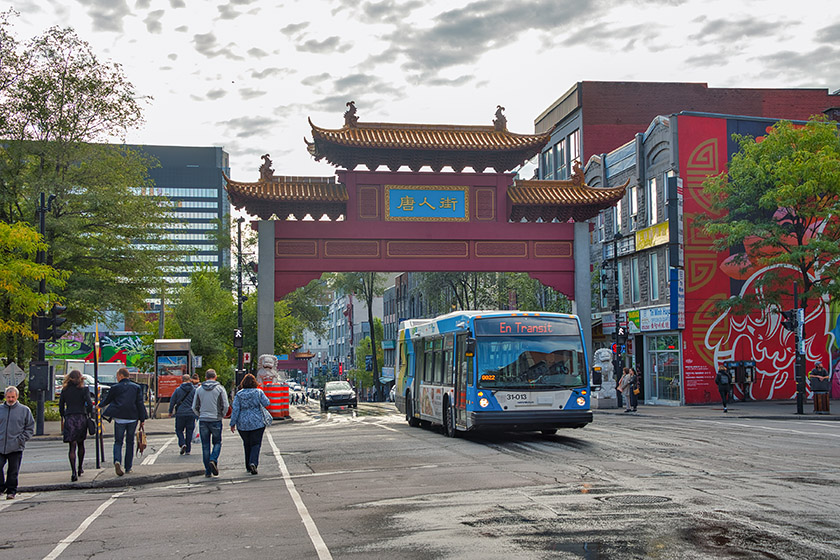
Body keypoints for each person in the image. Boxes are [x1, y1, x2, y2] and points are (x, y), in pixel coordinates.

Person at [100, 368, 146, 476]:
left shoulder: (115, 388)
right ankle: (128, 467)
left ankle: (117, 461)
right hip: (132, 418)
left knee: (118, 441)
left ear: (121, 376)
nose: (117, 378)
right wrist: (142, 419)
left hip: (119, 418)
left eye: (117, 376)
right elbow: (140, 403)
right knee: (130, 442)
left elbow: (108, 400)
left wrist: (99, 405)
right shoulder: (136, 387)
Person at [230, 374, 270, 475]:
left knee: (246, 444)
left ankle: (248, 466)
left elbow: (235, 410)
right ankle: (253, 462)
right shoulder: (258, 392)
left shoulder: (239, 394)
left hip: (243, 423)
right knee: (256, 444)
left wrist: (232, 423)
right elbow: (266, 403)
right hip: (257, 421)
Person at [192, 369, 229, 477]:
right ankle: (213, 459)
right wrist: (222, 414)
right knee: (217, 442)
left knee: (205, 446)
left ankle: (208, 471)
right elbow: (225, 405)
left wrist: (199, 414)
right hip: (216, 419)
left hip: (203, 420)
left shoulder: (199, 389)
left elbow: (194, 406)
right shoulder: (220, 389)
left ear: (205, 377)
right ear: (215, 376)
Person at [58, 370, 94, 481]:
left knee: (71, 447)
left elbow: (61, 405)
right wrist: (88, 413)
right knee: (81, 444)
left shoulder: (65, 390)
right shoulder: (84, 390)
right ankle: (80, 468)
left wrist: (64, 415)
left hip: (70, 417)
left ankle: (73, 472)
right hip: (81, 417)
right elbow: (89, 404)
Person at [0, 386, 34, 499]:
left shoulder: (24, 410)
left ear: (17, 397)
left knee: (13, 471)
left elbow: (29, 427)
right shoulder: (0, 409)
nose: (10, 399)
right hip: (0, 445)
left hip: (16, 446)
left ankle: (11, 491)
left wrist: (21, 439)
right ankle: (1, 488)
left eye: (13, 397)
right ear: (5, 397)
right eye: (8, 397)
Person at [169, 374, 197, 455]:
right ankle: (188, 449)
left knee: (179, 430)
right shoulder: (194, 390)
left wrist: (170, 411)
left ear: (182, 380)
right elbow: (197, 402)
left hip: (180, 413)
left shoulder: (178, 390)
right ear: (190, 380)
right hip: (191, 413)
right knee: (189, 431)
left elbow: (172, 401)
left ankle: (182, 443)